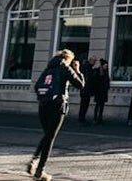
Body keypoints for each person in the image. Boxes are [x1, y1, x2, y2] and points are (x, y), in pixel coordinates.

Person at [27, 48, 85, 181]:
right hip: (58, 105)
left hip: (43, 105)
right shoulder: (65, 68)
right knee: (50, 137)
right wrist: (77, 71)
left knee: (47, 135)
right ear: (68, 59)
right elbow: (81, 85)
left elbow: (37, 86)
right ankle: (40, 170)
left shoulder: (48, 69)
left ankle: (34, 160)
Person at [77, 56, 97, 124]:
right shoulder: (87, 68)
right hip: (85, 90)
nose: (94, 63)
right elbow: (87, 80)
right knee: (84, 104)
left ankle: (82, 118)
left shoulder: (87, 67)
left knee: (84, 104)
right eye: (94, 61)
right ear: (90, 61)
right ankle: (81, 118)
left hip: (85, 90)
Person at [92, 59, 110, 124]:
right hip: (99, 91)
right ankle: (95, 118)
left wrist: (107, 87)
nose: (106, 67)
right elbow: (95, 82)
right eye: (105, 65)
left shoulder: (105, 72)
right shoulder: (97, 72)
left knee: (102, 105)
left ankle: (100, 117)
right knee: (98, 105)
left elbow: (107, 81)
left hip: (103, 91)